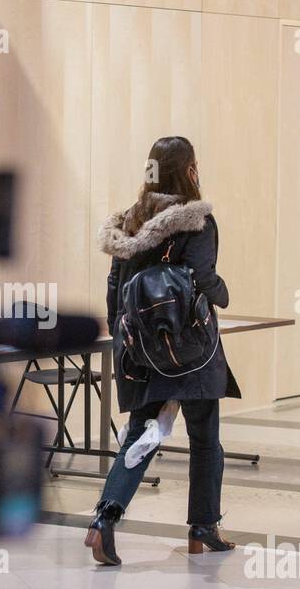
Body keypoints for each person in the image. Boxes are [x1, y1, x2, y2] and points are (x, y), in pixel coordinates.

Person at [85, 135, 241, 566]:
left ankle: (104, 519)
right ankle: (202, 528)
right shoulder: (197, 221)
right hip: (193, 351)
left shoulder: (131, 222)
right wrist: (223, 294)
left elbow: (115, 291)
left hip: (142, 351)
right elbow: (204, 278)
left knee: (141, 436)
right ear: (189, 170)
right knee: (205, 439)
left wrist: (128, 339)